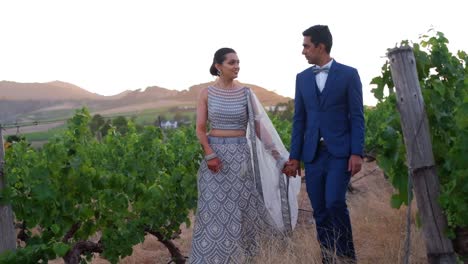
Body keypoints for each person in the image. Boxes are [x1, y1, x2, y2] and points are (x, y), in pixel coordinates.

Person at [189, 47, 301, 263]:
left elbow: (259, 128)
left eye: (238, 62)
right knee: (213, 210)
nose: (237, 66)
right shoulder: (206, 93)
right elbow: (200, 129)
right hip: (215, 159)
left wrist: (278, 157)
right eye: (232, 62)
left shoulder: (246, 93)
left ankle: (243, 258)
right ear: (218, 66)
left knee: (241, 211)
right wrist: (209, 154)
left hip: (240, 157)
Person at [283, 25, 364, 263]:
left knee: (335, 202)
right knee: (319, 210)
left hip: (340, 152)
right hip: (313, 155)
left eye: (306, 46)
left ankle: (347, 258)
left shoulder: (349, 74)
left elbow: (357, 116)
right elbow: (299, 120)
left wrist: (356, 152)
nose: (303, 51)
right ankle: (329, 259)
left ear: (320, 46)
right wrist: (295, 156)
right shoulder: (302, 78)